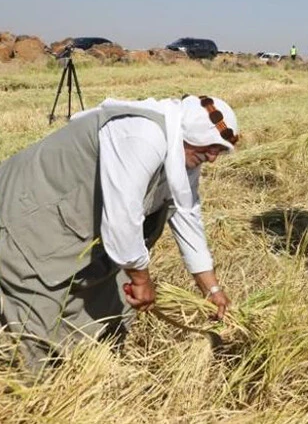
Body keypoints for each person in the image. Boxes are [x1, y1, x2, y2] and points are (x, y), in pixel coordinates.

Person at [0, 94, 239, 370]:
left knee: (112, 308)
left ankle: (86, 370)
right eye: (211, 147)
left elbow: (186, 213)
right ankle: (36, 396)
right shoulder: (142, 135)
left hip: (77, 232)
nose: (212, 159)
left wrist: (211, 288)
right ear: (192, 132)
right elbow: (122, 219)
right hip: (28, 218)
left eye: (219, 151)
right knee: (36, 328)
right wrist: (141, 278)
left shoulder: (184, 154)